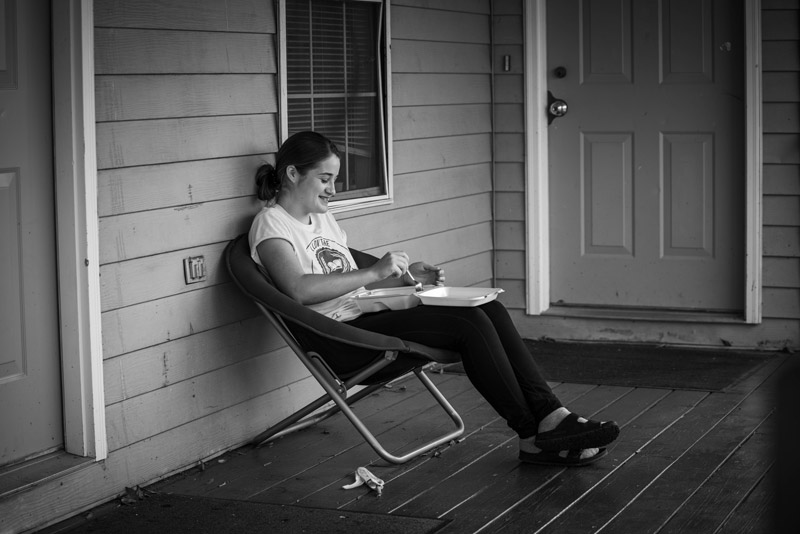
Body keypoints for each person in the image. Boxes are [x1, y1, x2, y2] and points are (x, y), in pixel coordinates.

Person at [249, 131, 620, 466]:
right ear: (293, 174)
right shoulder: (272, 224)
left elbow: (349, 282)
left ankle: (551, 415)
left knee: (487, 306)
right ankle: (532, 435)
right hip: (344, 336)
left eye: (335, 179)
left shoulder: (323, 219)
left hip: (366, 313)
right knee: (466, 323)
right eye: (325, 179)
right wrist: (377, 271)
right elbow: (297, 288)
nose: (333, 189)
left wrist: (406, 282)